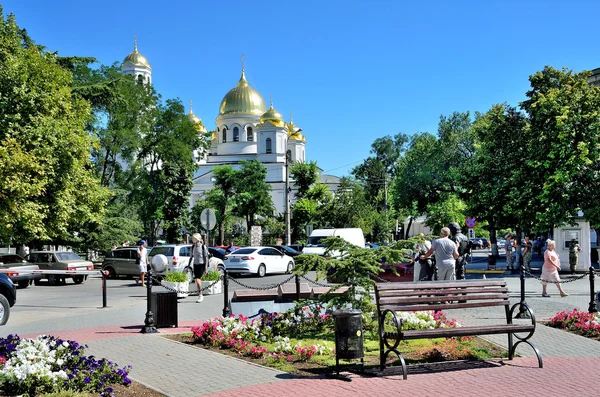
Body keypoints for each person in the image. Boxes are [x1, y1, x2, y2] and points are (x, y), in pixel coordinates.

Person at [191, 233, 209, 303]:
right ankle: (200, 293)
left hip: (201, 264)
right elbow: (191, 257)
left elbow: (206, 257)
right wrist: (189, 266)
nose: (192, 239)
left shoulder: (202, 247)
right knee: (197, 280)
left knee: (198, 280)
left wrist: (206, 268)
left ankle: (200, 295)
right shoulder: (192, 247)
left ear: (197, 239)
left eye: (193, 238)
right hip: (195, 264)